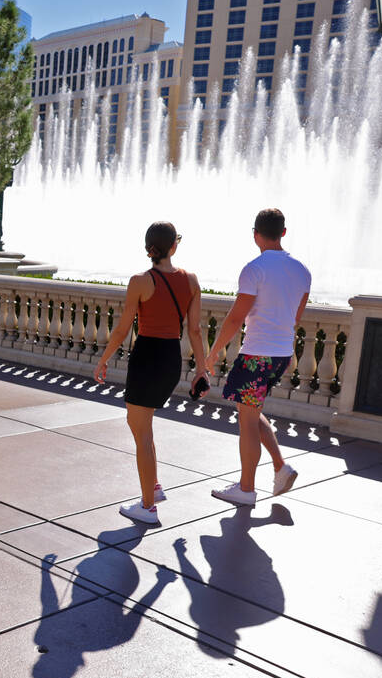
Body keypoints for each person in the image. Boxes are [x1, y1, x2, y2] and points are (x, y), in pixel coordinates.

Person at [94, 222, 208, 525]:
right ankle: (153, 487)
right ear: (174, 246)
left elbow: (122, 329)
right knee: (144, 426)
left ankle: (147, 507)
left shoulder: (140, 281)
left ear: (149, 248)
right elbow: (195, 331)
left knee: (140, 429)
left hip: (147, 356)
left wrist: (103, 360)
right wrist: (202, 370)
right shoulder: (192, 280)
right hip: (171, 358)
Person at [206, 208, 312, 506]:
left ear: (255, 234)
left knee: (247, 421)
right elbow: (296, 317)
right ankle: (281, 467)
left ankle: (246, 488)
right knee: (250, 410)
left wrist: (213, 353)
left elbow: (235, 318)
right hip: (281, 354)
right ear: (283, 232)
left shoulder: (254, 269)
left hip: (257, 353)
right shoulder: (302, 271)